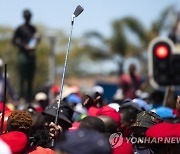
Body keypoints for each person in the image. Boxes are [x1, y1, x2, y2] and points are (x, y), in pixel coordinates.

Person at [12, 9, 40, 102]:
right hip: (23, 54)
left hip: (31, 54)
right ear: (24, 17)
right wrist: (24, 46)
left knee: (30, 76)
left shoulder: (33, 28)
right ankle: (21, 95)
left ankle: (29, 96)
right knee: (22, 76)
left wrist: (38, 39)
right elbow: (14, 41)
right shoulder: (20, 28)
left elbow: (36, 41)